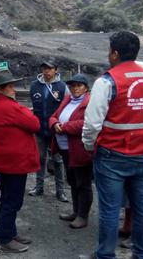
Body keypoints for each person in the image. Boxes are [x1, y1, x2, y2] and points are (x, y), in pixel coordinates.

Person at [82, 31, 143, 259]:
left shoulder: (107, 81)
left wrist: (90, 147)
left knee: (109, 210)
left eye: (110, 51)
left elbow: (92, 124)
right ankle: (142, 255)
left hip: (112, 155)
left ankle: (105, 255)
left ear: (115, 53)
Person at [0, 69, 41, 253]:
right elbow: (35, 124)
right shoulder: (8, 106)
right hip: (15, 162)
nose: (14, 89)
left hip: (6, 159)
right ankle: (5, 238)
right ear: (1, 89)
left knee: (8, 197)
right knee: (11, 201)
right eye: (11, 86)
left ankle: (10, 232)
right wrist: (21, 108)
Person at [49, 74, 93, 229]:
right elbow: (54, 116)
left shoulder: (90, 102)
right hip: (65, 149)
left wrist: (64, 127)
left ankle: (83, 216)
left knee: (83, 183)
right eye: (72, 85)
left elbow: (87, 122)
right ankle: (76, 211)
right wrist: (55, 123)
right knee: (73, 181)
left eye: (79, 85)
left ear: (86, 87)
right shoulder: (67, 99)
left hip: (80, 150)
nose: (75, 88)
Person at [29, 61, 69, 202]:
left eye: (50, 69)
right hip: (39, 129)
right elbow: (33, 106)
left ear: (55, 70)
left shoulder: (62, 87)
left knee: (57, 160)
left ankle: (60, 191)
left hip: (55, 130)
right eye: (44, 68)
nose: (47, 71)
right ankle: (39, 187)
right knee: (40, 158)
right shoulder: (34, 86)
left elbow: (67, 107)